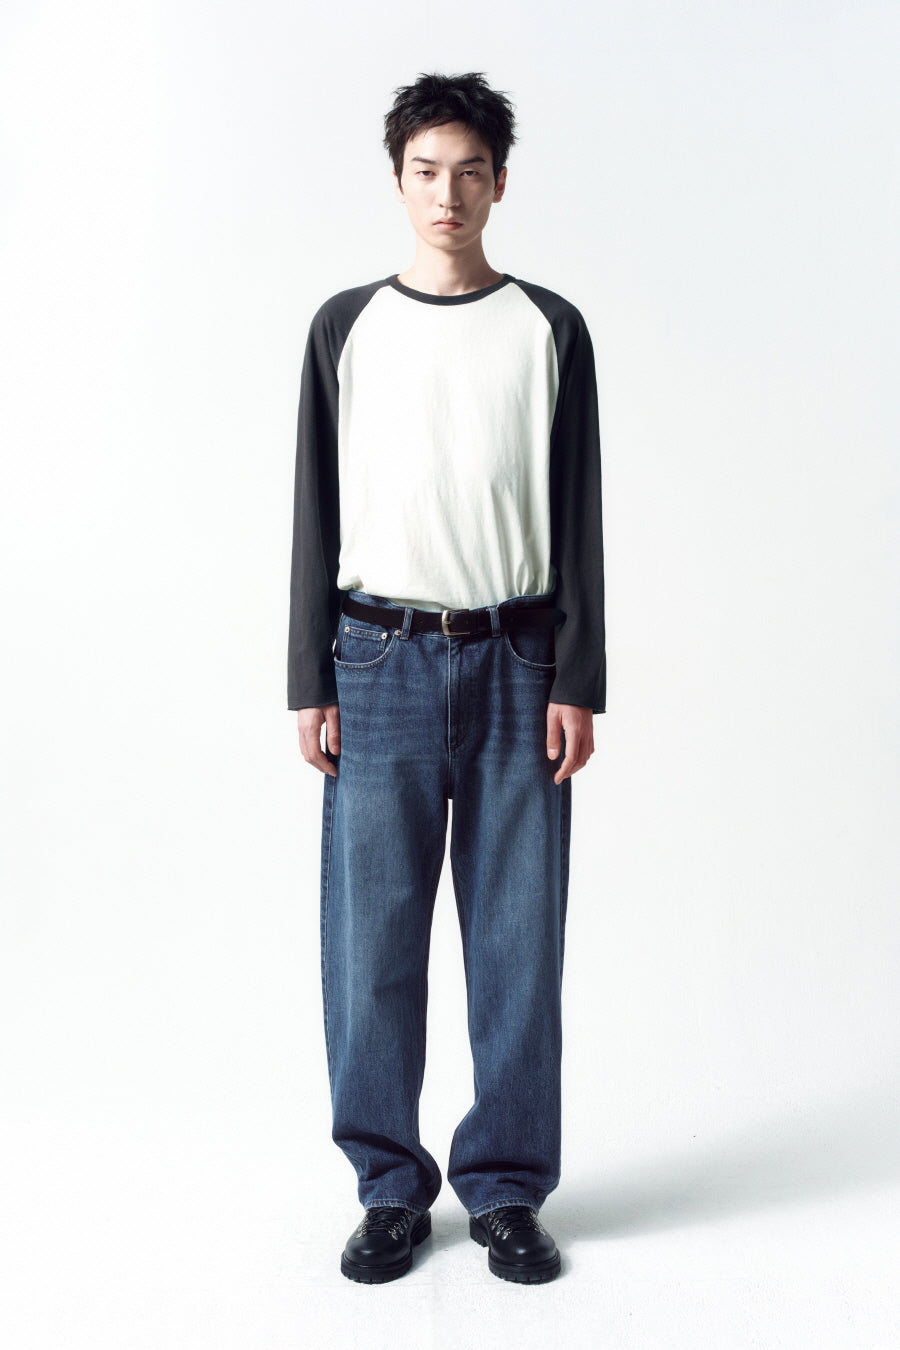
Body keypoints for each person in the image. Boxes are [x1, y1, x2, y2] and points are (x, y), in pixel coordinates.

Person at [287, 71, 605, 1285]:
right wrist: (307, 677)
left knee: (517, 941)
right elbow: (314, 506)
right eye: (427, 171)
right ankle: (387, 1187)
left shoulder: (550, 328)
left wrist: (581, 677)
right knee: (371, 941)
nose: (448, 194)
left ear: (501, 183)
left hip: (521, 659)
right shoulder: (345, 326)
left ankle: (508, 1188)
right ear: (398, 181)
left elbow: (578, 513)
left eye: (470, 171)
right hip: (375, 659)